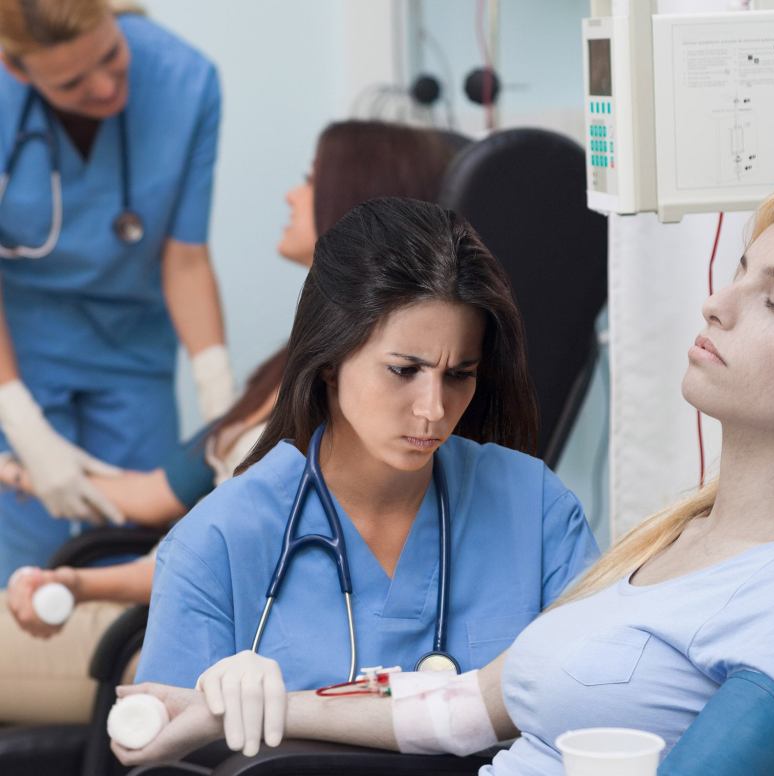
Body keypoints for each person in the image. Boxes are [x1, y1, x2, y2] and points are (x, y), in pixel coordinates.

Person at [113, 180, 774, 772]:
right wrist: (234, 709)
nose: (717, 304)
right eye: (737, 276)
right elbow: (460, 711)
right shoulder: (670, 546)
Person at [0, 120, 463, 725]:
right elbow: (155, 501)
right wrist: (26, 469)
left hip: (207, 640)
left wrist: (87, 586)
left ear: (352, 210)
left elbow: (251, 568)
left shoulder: (359, 397)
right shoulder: (291, 365)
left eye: (308, 182)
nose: (291, 196)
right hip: (169, 608)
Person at [130, 195, 599, 717]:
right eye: (404, 370)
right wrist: (208, 713)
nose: (433, 409)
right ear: (330, 360)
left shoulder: (535, 510)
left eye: (459, 374)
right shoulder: (219, 541)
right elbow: (159, 751)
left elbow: (597, 709)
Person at [0, 0, 233, 579]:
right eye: (73, 82)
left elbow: (185, 257)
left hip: (129, 347)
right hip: (16, 350)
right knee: (19, 568)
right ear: (18, 70)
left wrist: (222, 400)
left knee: (135, 554)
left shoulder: (185, 79)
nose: (106, 87)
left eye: (112, 56)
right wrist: (18, 417)